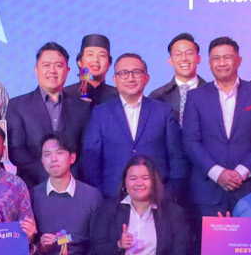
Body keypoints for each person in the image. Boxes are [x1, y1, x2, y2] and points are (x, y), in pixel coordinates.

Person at [181, 36, 251, 216]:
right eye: (216, 58)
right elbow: (190, 142)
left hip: (249, 189)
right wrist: (217, 173)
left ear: (238, 60)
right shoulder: (195, 97)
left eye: (227, 57)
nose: (222, 63)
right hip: (208, 191)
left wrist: (241, 172)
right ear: (209, 64)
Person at [81, 53, 187, 198]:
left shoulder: (164, 111)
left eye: (136, 72)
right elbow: (91, 160)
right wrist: (100, 195)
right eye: (123, 73)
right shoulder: (100, 113)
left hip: (157, 198)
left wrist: (168, 193)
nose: (130, 78)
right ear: (115, 80)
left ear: (146, 78)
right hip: (112, 198)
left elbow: (177, 157)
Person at [8, 41, 94, 190]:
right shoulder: (17, 106)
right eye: (46, 65)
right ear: (36, 70)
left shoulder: (82, 108)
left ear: (67, 70)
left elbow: (86, 151)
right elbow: (16, 150)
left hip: (73, 188)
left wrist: (66, 179)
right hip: (32, 188)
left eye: (58, 65)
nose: (52, 71)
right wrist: (50, 178)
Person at [89, 154, 198, 255]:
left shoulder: (173, 212)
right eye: (133, 178)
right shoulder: (108, 209)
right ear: (124, 183)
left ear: (154, 182)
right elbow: (97, 251)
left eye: (145, 178)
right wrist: (119, 245)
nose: (139, 183)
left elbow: (180, 252)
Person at [150, 33, 207, 122]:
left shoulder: (212, 93)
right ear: (170, 60)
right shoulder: (157, 97)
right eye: (178, 54)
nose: (184, 58)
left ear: (198, 58)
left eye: (189, 53)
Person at [76, 34, 115, 104]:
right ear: (80, 62)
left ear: (109, 64)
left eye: (102, 55)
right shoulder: (65, 95)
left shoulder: (119, 96)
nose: (96, 60)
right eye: (90, 54)